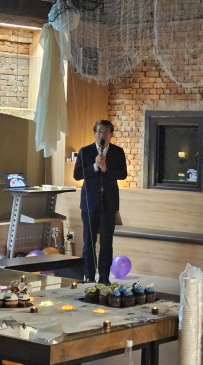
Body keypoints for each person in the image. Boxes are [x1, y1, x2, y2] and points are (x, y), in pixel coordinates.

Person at [74, 120, 128, 284]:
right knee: (89, 242)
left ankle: (104, 278)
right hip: (90, 203)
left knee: (106, 243)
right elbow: (77, 175)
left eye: (105, 132)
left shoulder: (118, 152)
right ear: (94, 133)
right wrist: (95, 167)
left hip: (108, 203)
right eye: (99, 132)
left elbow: (123, 174)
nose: (101, 135)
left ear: (111, 135)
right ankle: (89, 277)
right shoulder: (85, 151)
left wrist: (106, 169)